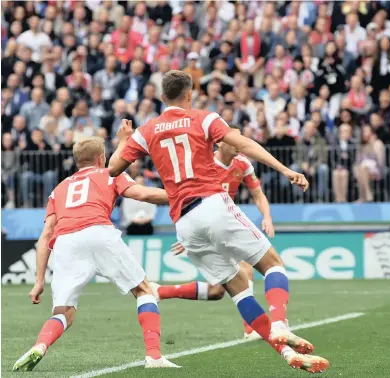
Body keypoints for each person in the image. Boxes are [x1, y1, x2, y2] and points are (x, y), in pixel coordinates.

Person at [108, 70, 328, 373]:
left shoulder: (147, 130)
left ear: (161, 98)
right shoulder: (204, 118)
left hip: (183, 223)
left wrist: (123, 142)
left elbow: (112, 169)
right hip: (212, 203)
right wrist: (284, 169)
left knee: (238, 289)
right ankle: (279, 323)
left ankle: (287, 354)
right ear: (189, 95)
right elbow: (245, 144)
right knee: (272, 264)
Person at [12, 137, 179, 371]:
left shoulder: (59, 189)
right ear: (101, 158)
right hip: (98, 232)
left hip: (66, 242)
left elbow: (45, 235)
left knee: (64, 312)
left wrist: (39, 281)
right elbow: (142, 194)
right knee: (143, 290)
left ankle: (40, 345)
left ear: (77, 161)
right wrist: (181, 196)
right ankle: (153, 356)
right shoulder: (109, 173)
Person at [152, 124, 275, 340]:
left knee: (217, 291)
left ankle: (159, 292)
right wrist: (189, 232)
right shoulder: (204, 165)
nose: (238, 143)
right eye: (233, 139)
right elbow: (183, 196)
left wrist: (267, 217)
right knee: (245, 270)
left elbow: (257, 194)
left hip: (224, 222)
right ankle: (251, 329)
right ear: (219, 142)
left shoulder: (242, 163)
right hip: (205, 224)